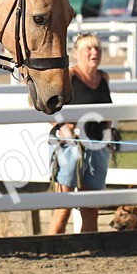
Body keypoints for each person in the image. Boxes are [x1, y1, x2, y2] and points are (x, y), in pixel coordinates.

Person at [48, 33, 113, 234]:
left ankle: (90, 248)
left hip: (97, 145)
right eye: (88, 48)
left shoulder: (104, 77)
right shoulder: (69, 76)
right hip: (70, 147)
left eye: (97, 48)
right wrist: (63, 127)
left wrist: (109, 133)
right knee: (63, 209)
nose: (94, 52)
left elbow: (108, 111)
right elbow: (49, 107)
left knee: (91, 209)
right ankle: (51, 246)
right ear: (76, 53)